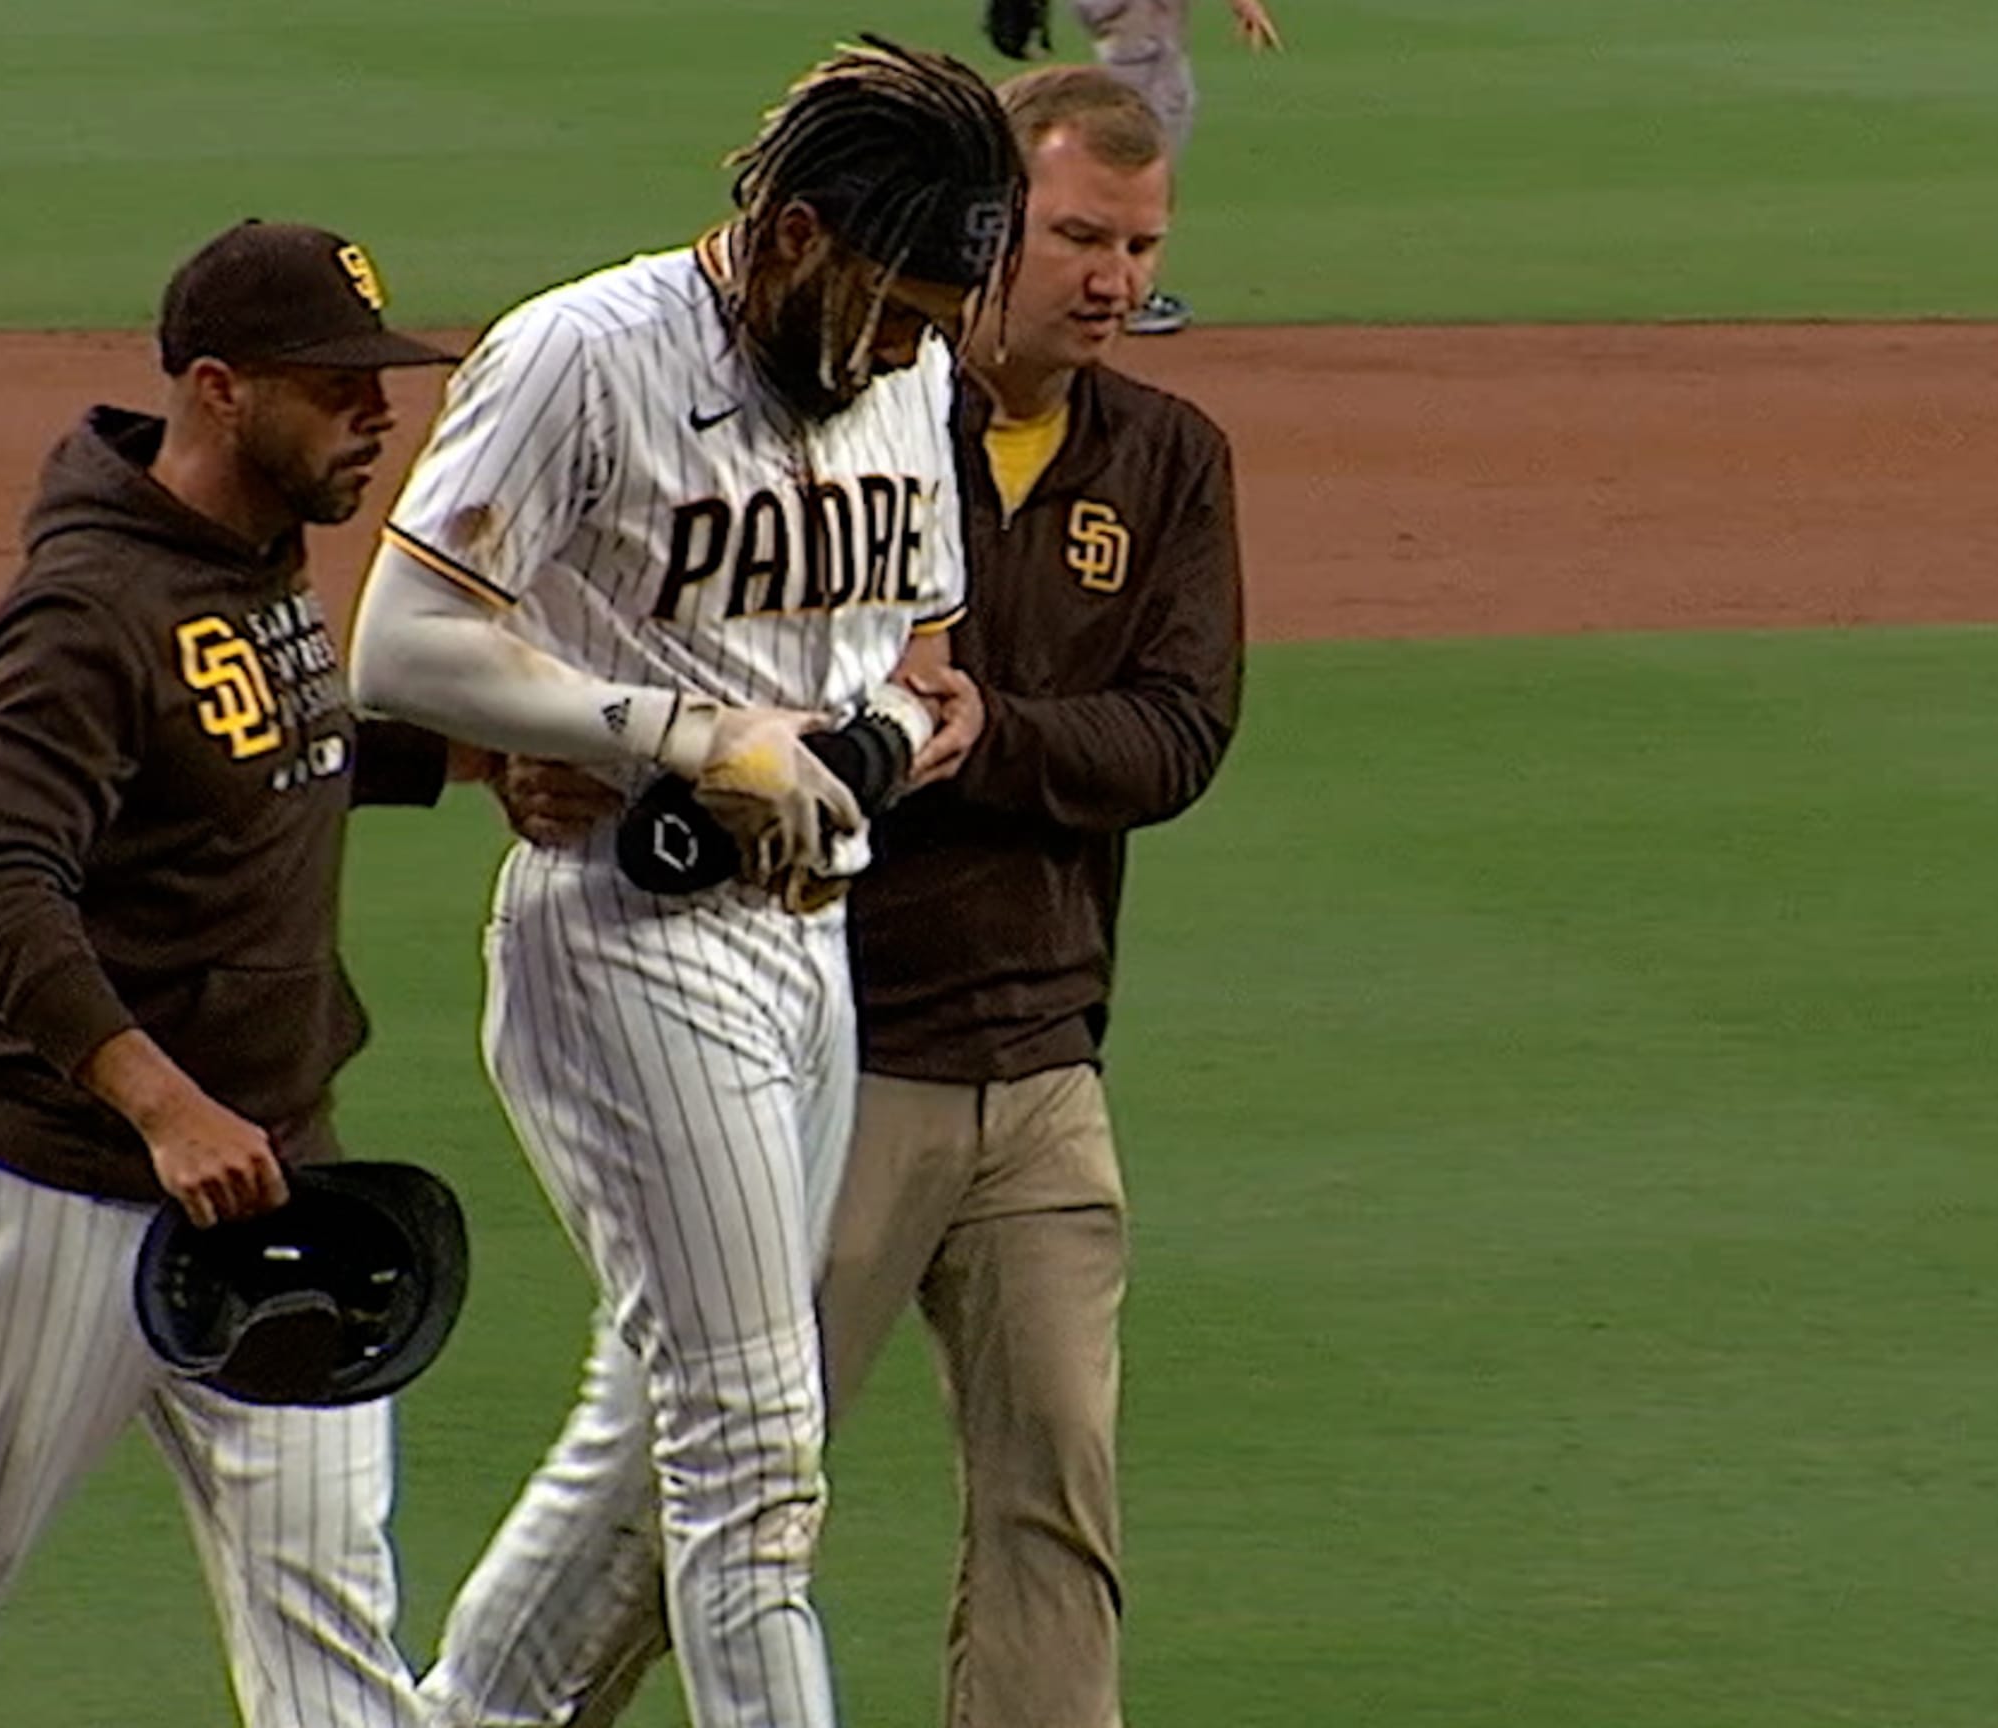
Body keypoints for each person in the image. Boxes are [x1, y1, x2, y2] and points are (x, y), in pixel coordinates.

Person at [449, 61, 1248, 1728]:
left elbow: (1178, 733)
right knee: (708, 1476)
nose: (1111, 276)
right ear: (978, 229)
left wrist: (976, 733)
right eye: (1078, 235)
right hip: (829, 1042)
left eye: (1140, 243)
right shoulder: (845, 392)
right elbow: (609, 638)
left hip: (1040, 1059)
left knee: (1055, 1506)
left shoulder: (1166, 456)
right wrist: (580, 757)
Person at [340, 37, 1022, 1728]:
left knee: (664, 1411)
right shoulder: (580, 353)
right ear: (791, 233)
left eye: (936, 319)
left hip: (811, 943)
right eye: (891, 307)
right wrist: (681, 737)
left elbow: (916, 666)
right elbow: (399, 644)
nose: (912, 352)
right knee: (754, 1447)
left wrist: (847, 752)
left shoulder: (911, 380)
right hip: (623, 939)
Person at [0, 218, 466, 1728]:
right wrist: (162, 1106)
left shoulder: (258, 560)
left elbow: (260, 747)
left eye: (384, 382)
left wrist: (478, 757)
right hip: (58, 1193)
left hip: (280, 1187)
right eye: (337, 385)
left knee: (335, 1637)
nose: (380, 413)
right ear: (220, 390)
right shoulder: (85, 611)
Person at [1064, 0, 1283, 334]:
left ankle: (1106, 284)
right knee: (1138, 160)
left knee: (1132, 146)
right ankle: (1125, 295)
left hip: (1121, 26)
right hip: (1140, 34)